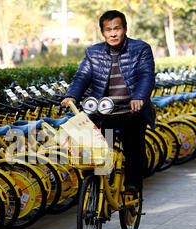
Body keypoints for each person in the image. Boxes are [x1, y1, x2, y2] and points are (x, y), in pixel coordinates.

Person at [60, 10, 155, 195]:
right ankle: (99, 189)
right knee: (99, 152)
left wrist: (139, 98)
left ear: (125, 29)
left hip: (131, 111)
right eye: (108, 29)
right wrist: (71, 95)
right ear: (103, 32)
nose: (113, 33)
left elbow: (146, 76)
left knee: (133, 144)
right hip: (105, 113)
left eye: (117, 29)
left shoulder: (141, 49)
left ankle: (133, 185)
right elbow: (82, 76)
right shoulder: (93, 52)